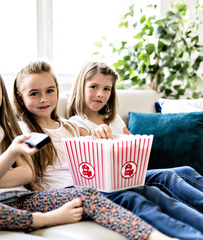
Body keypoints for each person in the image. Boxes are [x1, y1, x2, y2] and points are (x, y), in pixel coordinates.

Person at [0, 60, 166, 240]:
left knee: (86, 195)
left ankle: (156, 236)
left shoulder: (9, 129)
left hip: (23, 198)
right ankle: (44, 219)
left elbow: (27, 173)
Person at [11, 60, 176, 240]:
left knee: (147, 190)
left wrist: (99, 140)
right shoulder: (22, 131)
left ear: (57, 91)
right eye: (34, 93)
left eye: (50, 91)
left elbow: (89, 165)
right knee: (129, 197)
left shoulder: (70, 128)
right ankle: (159, 236)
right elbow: (29, 179)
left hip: (87, 186)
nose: (44, 99)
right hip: (61, 192)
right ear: (20, 97)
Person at [67, 61, 203, 238]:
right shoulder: (77, 124)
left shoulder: (114, 119)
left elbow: (134, 146)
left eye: (107, 89)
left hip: (132, 172)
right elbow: (90, 164)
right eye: (94, 87)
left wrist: (130, 144)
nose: (100, 94)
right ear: (80, 87)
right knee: (167, 177)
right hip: (115, 181)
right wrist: (103, 138)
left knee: (185, 170)